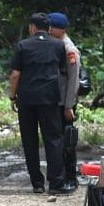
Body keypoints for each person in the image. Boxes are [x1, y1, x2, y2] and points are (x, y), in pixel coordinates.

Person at [8, 13, 72, 195]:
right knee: (53, 139)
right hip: (49, 98)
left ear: (32, 27)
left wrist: (12, 96)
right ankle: (56, 183)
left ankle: (37, 183)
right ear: (49, 28)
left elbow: (15, 75)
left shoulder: (23, 45)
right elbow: (61, 71)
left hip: (27, 99)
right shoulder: (58, 45)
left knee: (30, 140)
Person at [48, 12, 81, 192]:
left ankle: (70, 177)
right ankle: (59, 176)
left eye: (52, 27)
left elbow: (73, 80)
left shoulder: (69, 50)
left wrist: (69, 105)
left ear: (62, 29)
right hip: (56, 101)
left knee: (67, 141)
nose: (49, 30)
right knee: (57, 141)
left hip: (65, 103)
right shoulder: (55, 46)